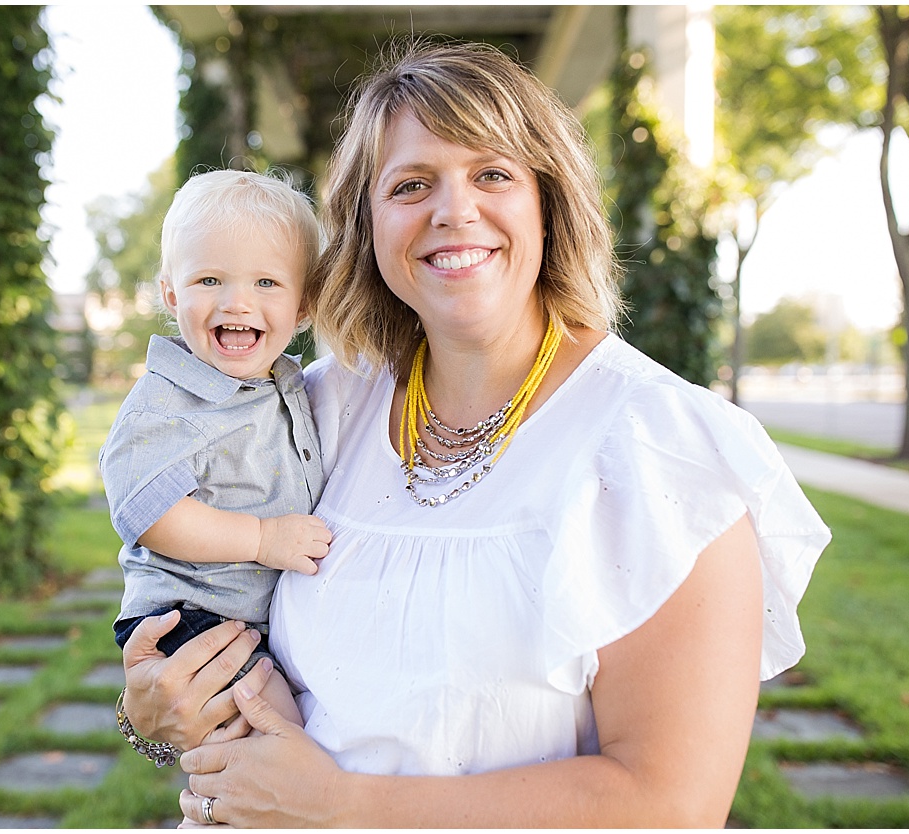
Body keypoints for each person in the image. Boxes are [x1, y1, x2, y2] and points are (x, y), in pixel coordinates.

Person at [118, 41, 830, 826]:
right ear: (367, 228)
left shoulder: (658, 449)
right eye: (411, 184)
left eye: (493, 174)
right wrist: (155, 714)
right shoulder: (318, 410)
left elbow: (667, 806)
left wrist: (345, 806)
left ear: (548, 203)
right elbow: (183, 572)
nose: (453, 211)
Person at [103, 170, 333, 743]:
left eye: (266, 283)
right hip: (187, 618)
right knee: (275, 726)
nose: (237, 301)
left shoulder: (288, 386)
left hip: (247, 620)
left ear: (304, 304)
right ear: (171, 293)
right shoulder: (164, 407)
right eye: (210, 279)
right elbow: (155, 516)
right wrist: (263, 540)